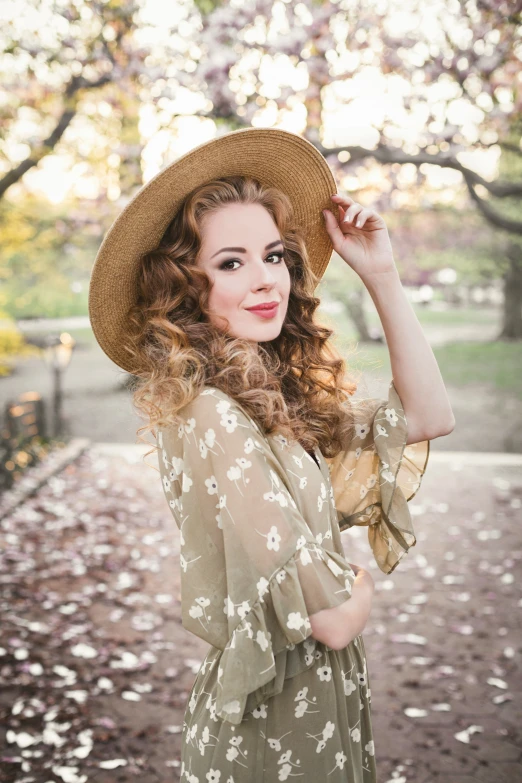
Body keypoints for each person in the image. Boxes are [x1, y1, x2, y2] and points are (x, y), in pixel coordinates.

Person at [89, 127, 454, 781]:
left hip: (321, 711)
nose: (267, 281)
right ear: (186, 285)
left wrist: (382, 274)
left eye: (276, 256)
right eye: (231, 262)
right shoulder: (210, 413)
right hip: (269, 732)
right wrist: (360, 583)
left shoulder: (274, 398)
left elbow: (428, 416)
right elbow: (332, 620)